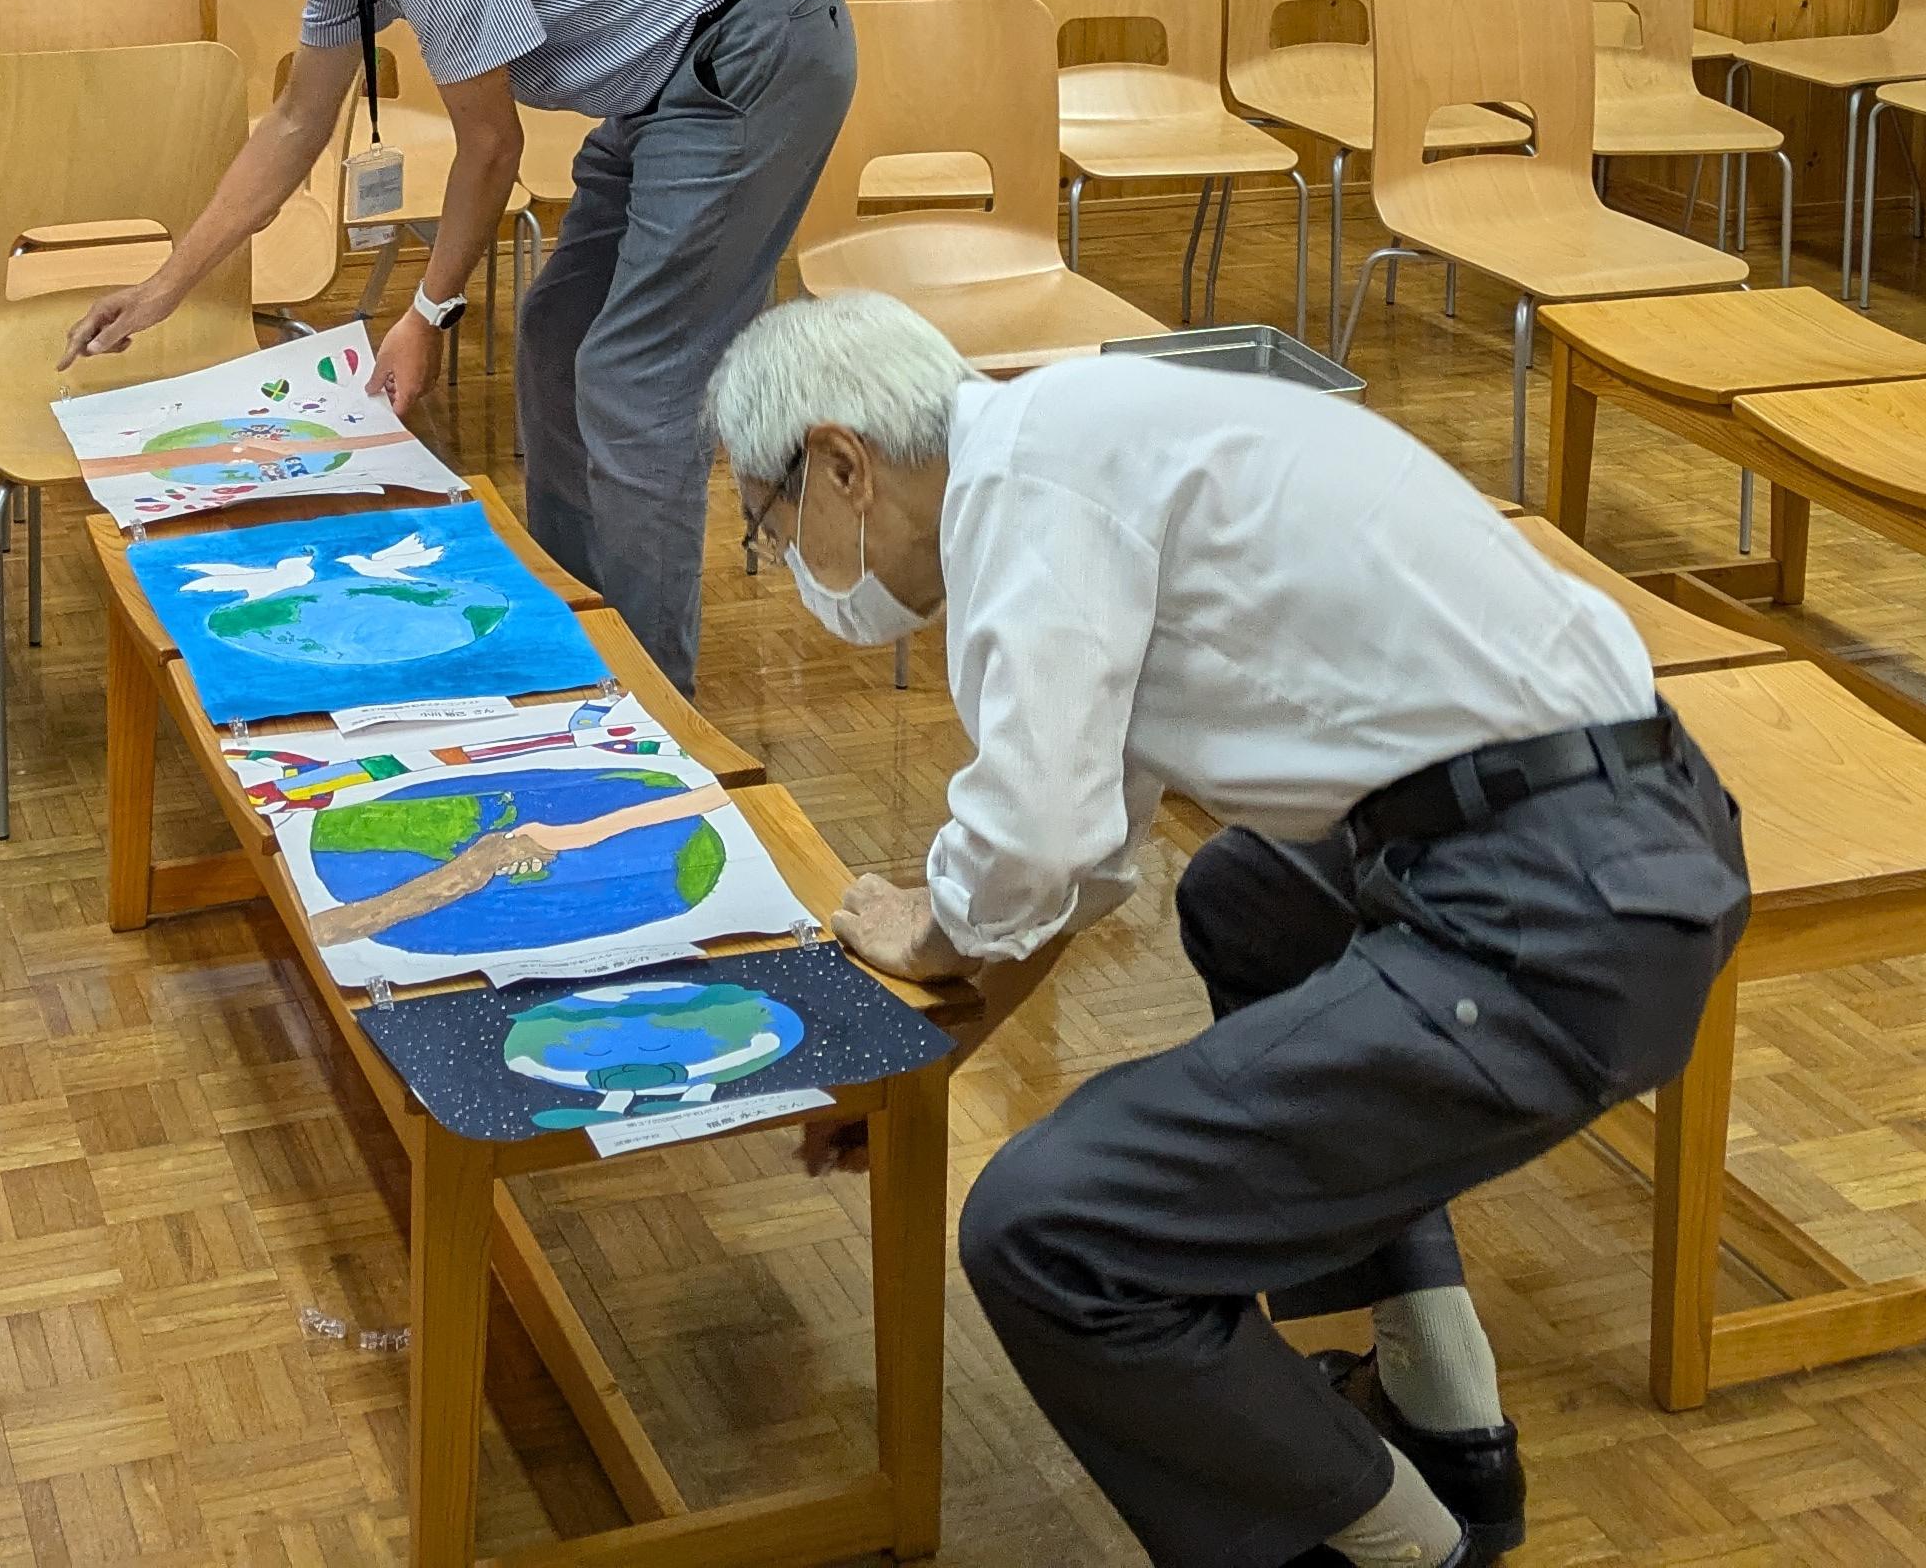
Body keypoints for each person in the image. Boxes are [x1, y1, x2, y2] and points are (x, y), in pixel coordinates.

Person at [713, 298, 1748, 1568]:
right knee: (1250, 890)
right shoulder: (1075, 437)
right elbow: (1082, 859)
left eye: (769, 527)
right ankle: (1443, 1404)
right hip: (1634, 834)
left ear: (840, 461)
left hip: (1558, 911)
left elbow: (1019, 851)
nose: (784, 562)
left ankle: (1400, 1550)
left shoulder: (1026, 494)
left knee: (1044, 1227)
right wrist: (924, 1059)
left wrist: (929, 930)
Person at [69, 0, 847, 683]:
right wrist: (166, 286)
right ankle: (578, 630)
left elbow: (490, 144)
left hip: (751, 54)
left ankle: (647, 696)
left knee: (633, 381)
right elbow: (294, 125)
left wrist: (428, 315)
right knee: (557, 338)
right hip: (675, 75)